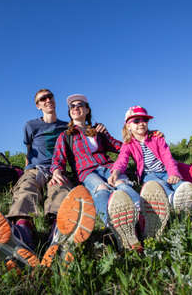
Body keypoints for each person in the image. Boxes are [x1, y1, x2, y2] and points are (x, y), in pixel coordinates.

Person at [0, 89, 96, 271]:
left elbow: (84, 133)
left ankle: (57, 235)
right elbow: (29, 152)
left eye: (49, 96)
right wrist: (27, 171)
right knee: (27, 188)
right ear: (38, 105)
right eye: (42, 99)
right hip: (36, 168)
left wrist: (99, 130)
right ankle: (22, 234)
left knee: (59, 190)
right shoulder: (31, 126)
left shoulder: (67, 126)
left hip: (57, 169)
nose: (47, 100)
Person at [49, 94, 169, 253]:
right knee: (101, 189)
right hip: (87, 172)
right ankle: (117, 228)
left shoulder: (97, 131)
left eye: (80, 105)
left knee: (122, 185)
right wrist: (56, 171)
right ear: (70, 112)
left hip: (108, 167)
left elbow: (122, 147)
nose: (76, 108)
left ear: (87, 110)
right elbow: (58, 157)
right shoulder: (66, 135)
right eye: (72, 106)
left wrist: (148, 135)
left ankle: (143, 219)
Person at [109, 105, 192, 214]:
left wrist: (173, 173)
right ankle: (174, 199)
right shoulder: (128, 144)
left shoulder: (156, 138)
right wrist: (115, 172)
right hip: (148, 175)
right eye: (136, 121)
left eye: (144, 120)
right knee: (158, 185)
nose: (141, 123)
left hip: (165, 170)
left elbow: (167, 157)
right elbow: (122, 160)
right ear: (128, 126)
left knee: (180, 185)